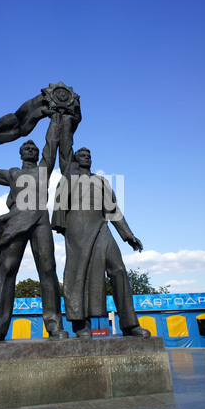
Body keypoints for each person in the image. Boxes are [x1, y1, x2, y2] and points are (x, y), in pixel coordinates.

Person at [0, 114, 69, 342]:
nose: (31, 150)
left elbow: (51, 144)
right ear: (21, 154)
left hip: (40, 220)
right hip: (17, 220)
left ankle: (54, 325)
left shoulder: (42, 170)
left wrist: (56, 121)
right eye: (26, 148)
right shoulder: (13, 173)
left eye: (33, 148)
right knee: (8, 269)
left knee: (48, 270)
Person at [52, 138, 151, 339]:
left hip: (101, 226)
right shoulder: (68, 177)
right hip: (77, 228)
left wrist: (128, 234)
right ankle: (82, 325)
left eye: (89, 155)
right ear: (75, 159)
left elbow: (112, 209)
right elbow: (59, 203)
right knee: (79, 275)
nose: (87, 157)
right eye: (82, 154)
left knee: (119, 269)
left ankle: (129, 323)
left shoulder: (100, 181)